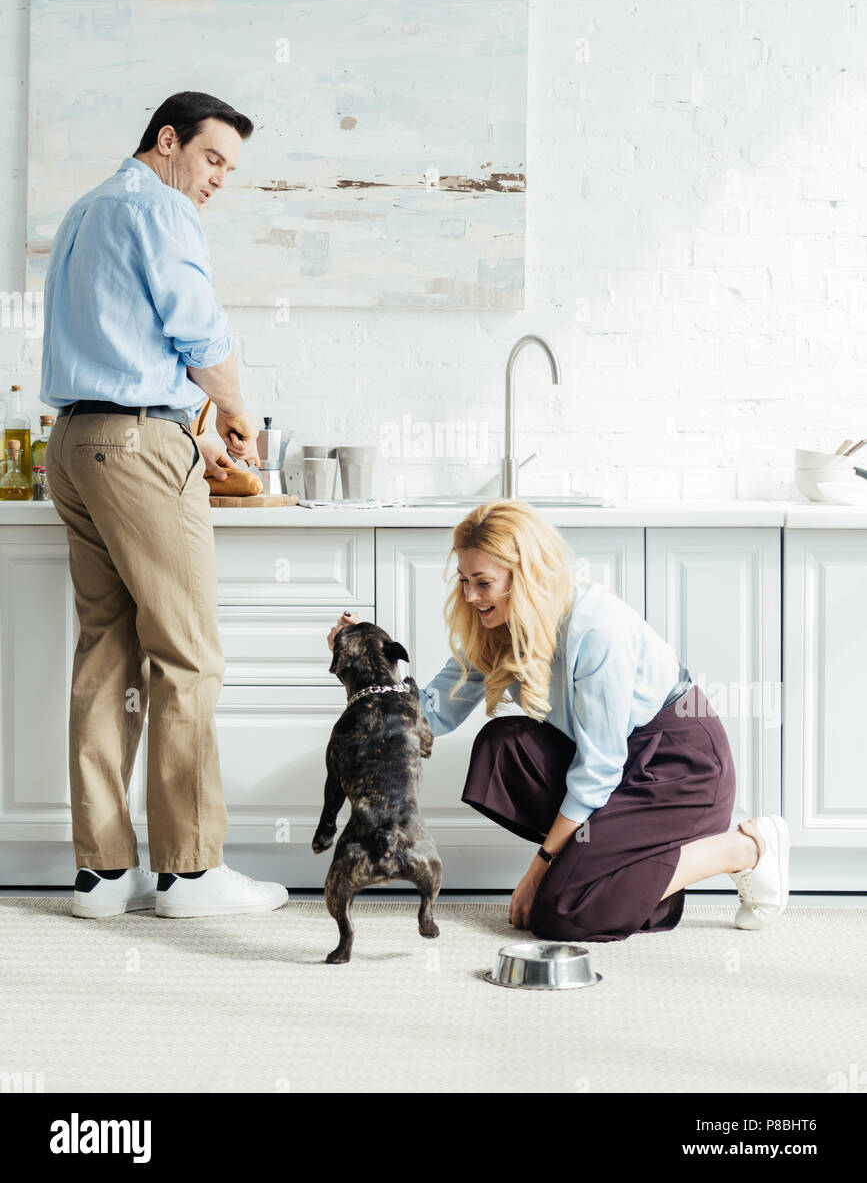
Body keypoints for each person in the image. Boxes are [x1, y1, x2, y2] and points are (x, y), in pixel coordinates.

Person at [41, 91, 289, 920]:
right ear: (168, 139)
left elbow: (118, 344)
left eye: (229, 168)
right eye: (212, 158)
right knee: (187, 657)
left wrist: (188, 428)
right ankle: (189, 872)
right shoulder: (162, 210)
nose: (218, 179)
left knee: (107, 655)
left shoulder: (87, 208)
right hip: (136, 449)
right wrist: (237, 416)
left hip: (74, 444)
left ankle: (104, 876)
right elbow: (199, 335)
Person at [328, 500, 790, 942]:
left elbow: (599, 766)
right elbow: (429, 715)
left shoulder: (594, 628)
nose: (469, 596)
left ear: (524, 577)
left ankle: (745, 848)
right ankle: (604, 872)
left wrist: (541, 867)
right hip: (621, 766)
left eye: (483, 582)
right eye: (464, 580)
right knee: (502, 746)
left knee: (561, 914)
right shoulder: (491, 626)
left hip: (678, 768)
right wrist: (365, 662)